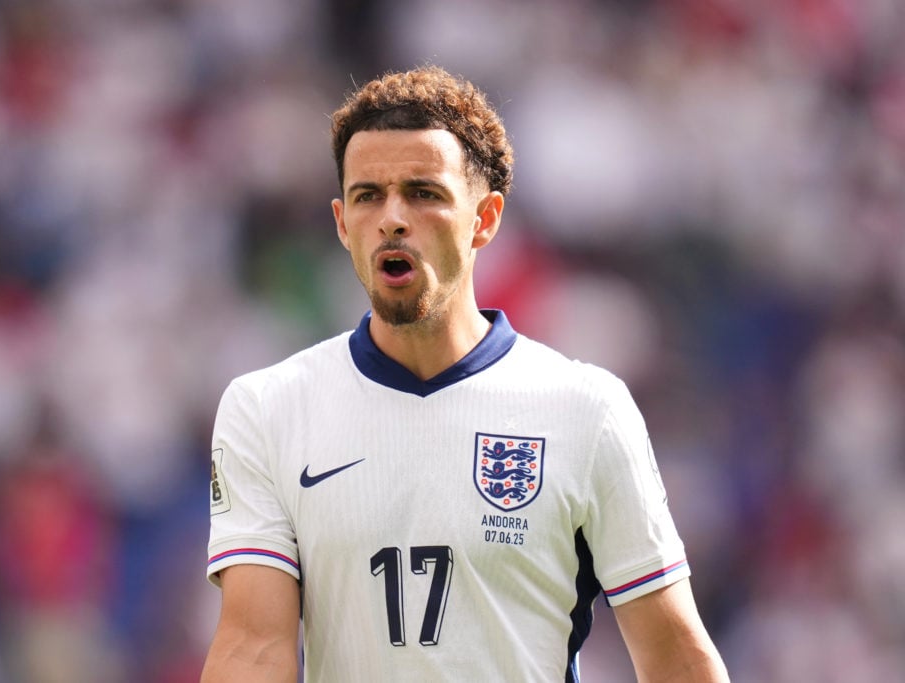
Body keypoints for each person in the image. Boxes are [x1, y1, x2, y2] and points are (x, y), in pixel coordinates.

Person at [200, 65, 729, 682]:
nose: (393, 219)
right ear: (343, 224)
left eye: (423, 193)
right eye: (369, 196)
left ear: (485, 219)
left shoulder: (586, 408)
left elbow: (672, 654)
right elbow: (253, 648)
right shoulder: (267, 408)